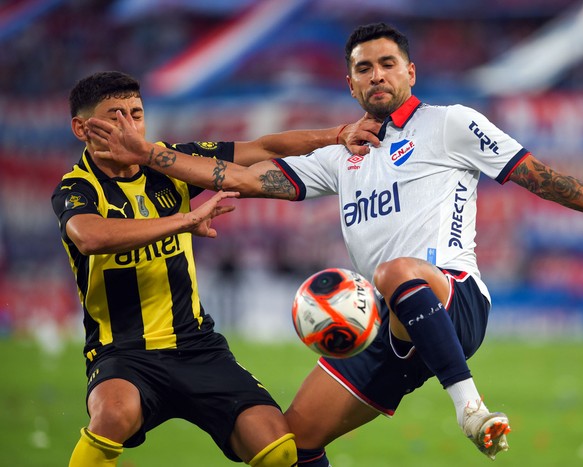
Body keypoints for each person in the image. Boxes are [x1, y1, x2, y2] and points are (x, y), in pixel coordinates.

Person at [86, 23, 583, 464]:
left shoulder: (451, 123)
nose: (376, 74)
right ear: (350, 83)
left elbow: (540, 176)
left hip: (452, 300)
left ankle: (471, 409)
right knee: (285, 445)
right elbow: (245, 177)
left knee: (398, 269)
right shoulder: (342, 157)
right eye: (363, 68)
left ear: (410, 73)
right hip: (382, 324)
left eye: (387, 63)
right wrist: (153, 155)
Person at [52, 70, 380, 467]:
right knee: (112, 415)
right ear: (82, 128)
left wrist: (338, 133)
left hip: (195, 345)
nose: (129, 126)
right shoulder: (77, 188)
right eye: (115, 116)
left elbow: (262, 146)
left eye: (136, 114)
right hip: (122, 352)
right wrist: (184, 222)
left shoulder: (168, 163)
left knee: (276, 448)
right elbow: (90, 236)